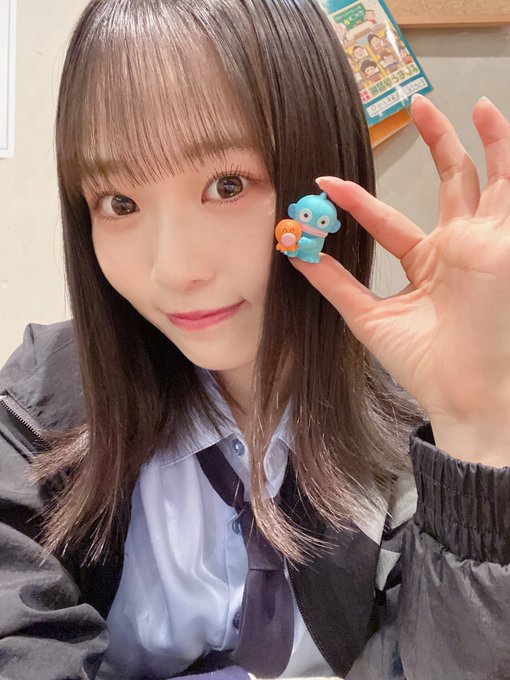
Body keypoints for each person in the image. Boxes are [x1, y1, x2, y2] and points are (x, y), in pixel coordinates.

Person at [1, 1, 509, 679]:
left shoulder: (413, 419)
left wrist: (476, 428)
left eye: (227, 184)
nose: (174, 271)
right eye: (119, 204)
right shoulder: (42, 403)